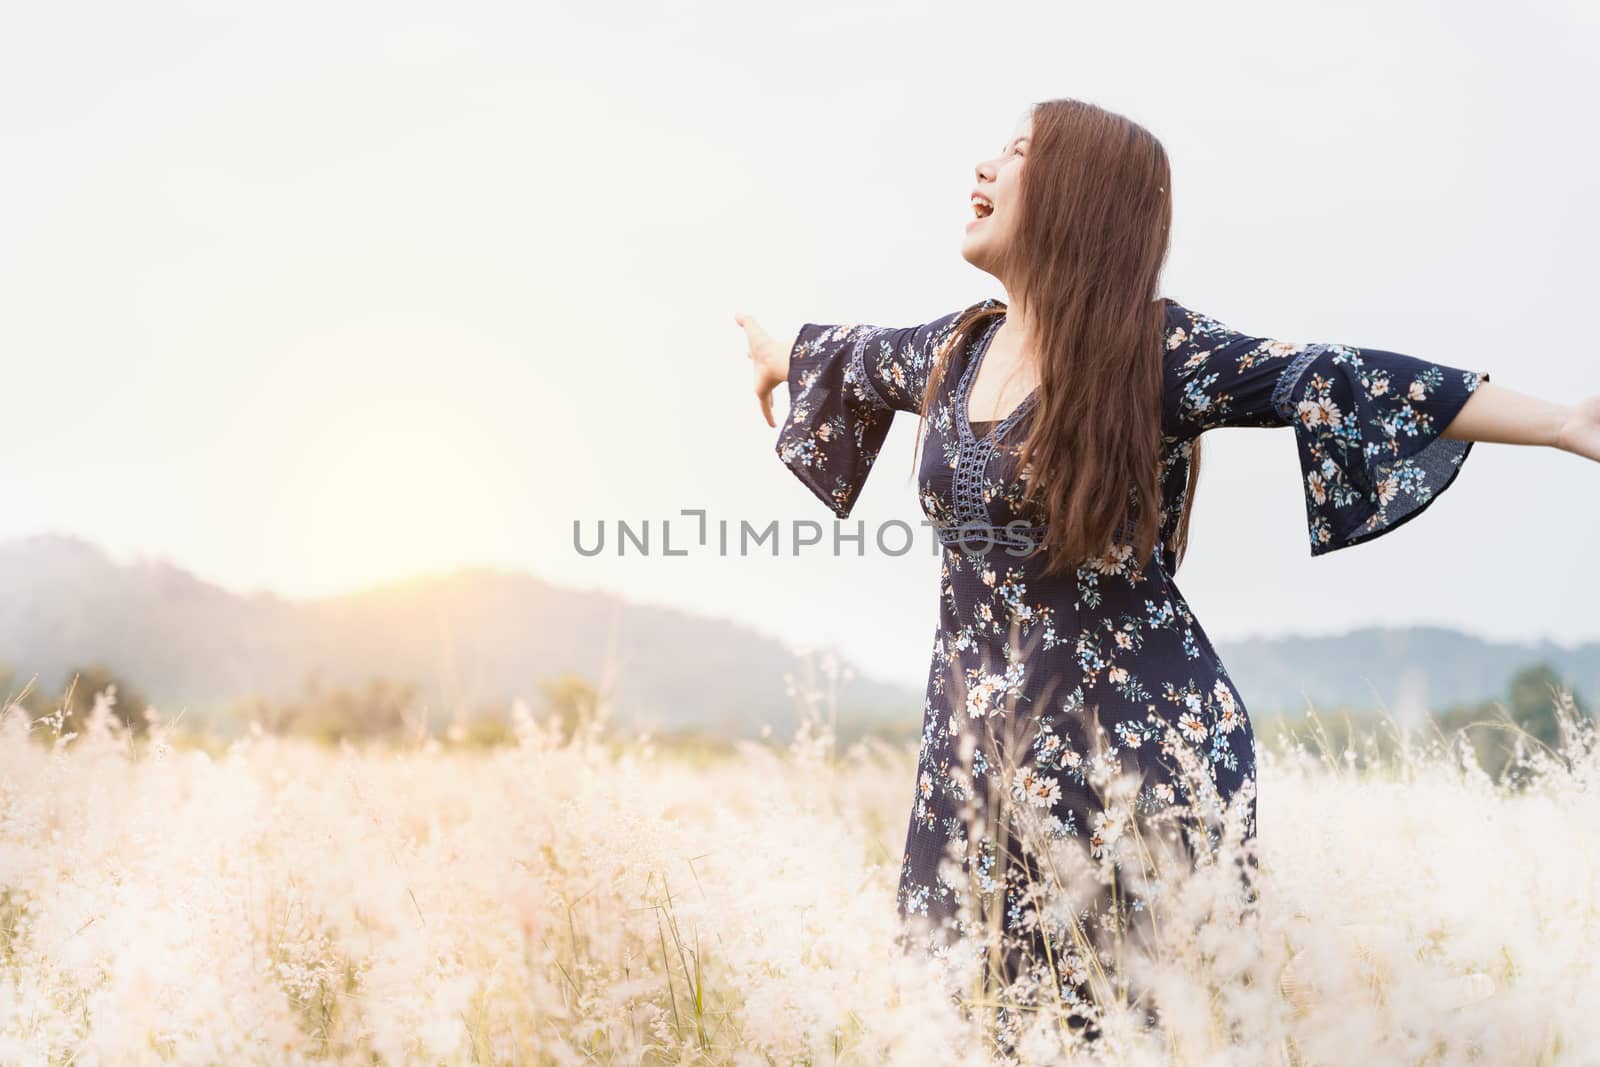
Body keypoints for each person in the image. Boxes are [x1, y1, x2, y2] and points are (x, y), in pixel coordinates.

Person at [736, 98, 1600, 1042]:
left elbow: (1329, 374)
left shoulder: (1149, 352)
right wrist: (778, 356)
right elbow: (851, 358)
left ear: (1077, 196)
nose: (983, 166)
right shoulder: (954, 349)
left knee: (1122, 1037)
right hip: (972, 772)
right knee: (957, 1027)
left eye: (1018, 151)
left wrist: (1560, 422)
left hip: (1131, 770)